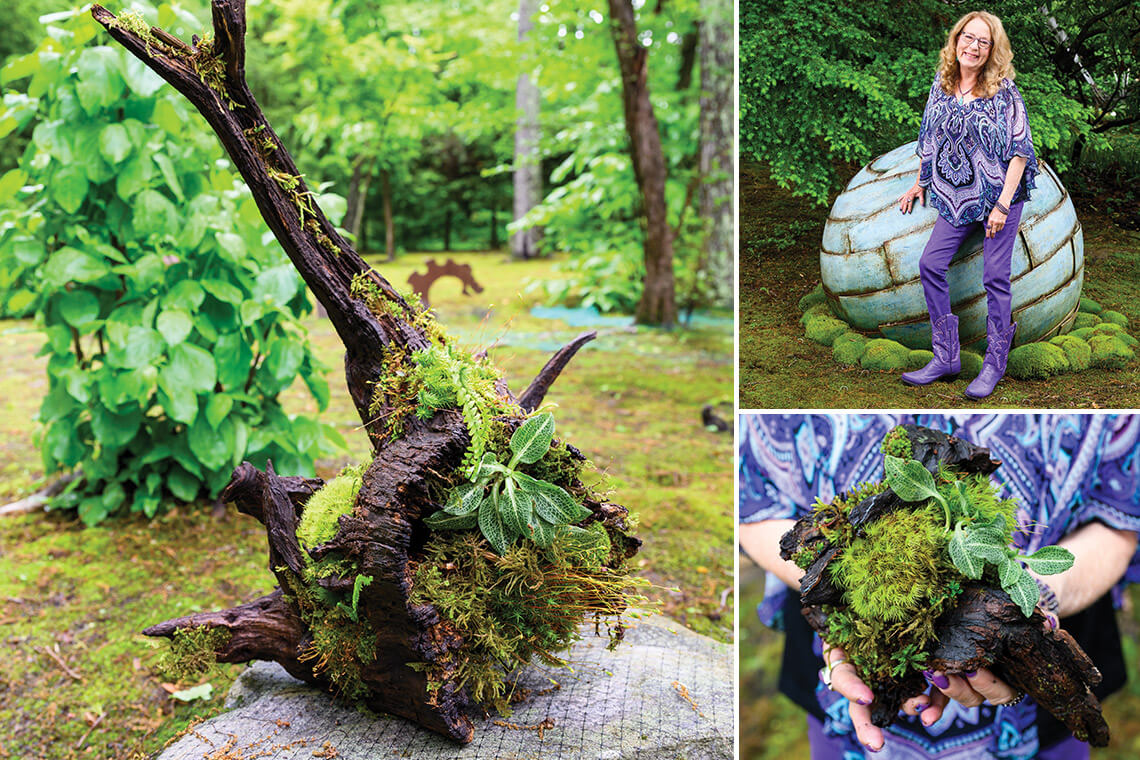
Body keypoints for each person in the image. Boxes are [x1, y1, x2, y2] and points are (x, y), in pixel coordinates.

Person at [739, 413, 1139, 759]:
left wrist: (1029, 595)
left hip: (1038, 688)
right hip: (854, 663)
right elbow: (753, 504)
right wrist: (848, 596)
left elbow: (1121, 515)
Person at [897, 11, 1039, 400]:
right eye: (968, 37)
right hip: (955, 198)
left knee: (994, 277)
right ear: (956, 39)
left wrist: (1003, 205)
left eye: (983, 41)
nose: (973, 47)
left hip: (999, 197)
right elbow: (929, 140)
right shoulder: (940, 86)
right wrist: (919, 181)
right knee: (930, 264)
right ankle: (946, 357)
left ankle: (994, 362)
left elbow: (1021, 151)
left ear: (993, 50)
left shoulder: (1005, 91)